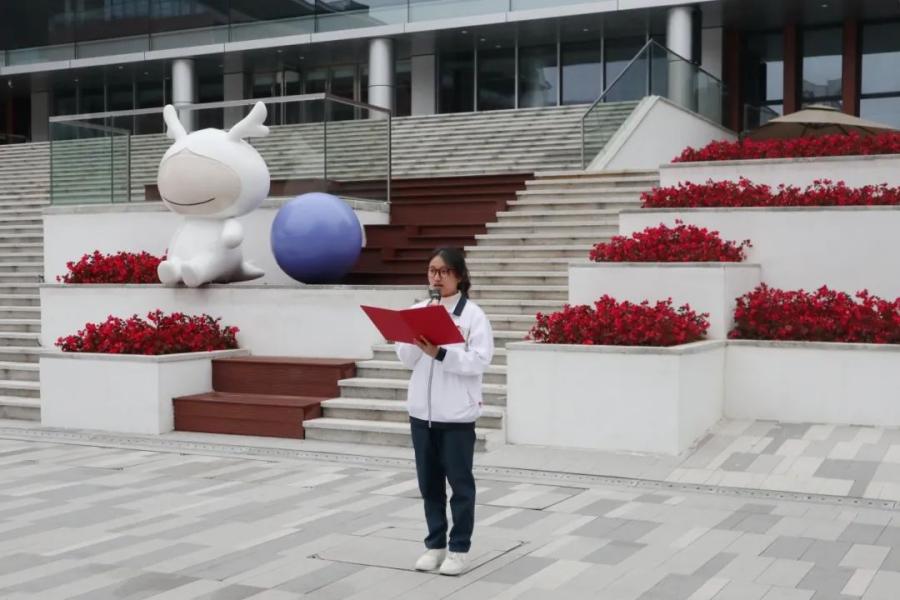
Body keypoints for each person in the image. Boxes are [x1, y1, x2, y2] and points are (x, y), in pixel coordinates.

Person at [395, 247, 494, 576]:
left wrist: (440, 353)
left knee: (460, 486)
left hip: (456, 416)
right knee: (429, 485)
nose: (436, 277)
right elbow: (407, 360)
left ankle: (459, 549)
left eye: (443, 271)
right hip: (422, 414)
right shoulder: (418, 310)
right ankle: (435, 545)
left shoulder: (473, 316)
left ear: (459, 276)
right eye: (431, 270)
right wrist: (411, 339)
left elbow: (479, 361)